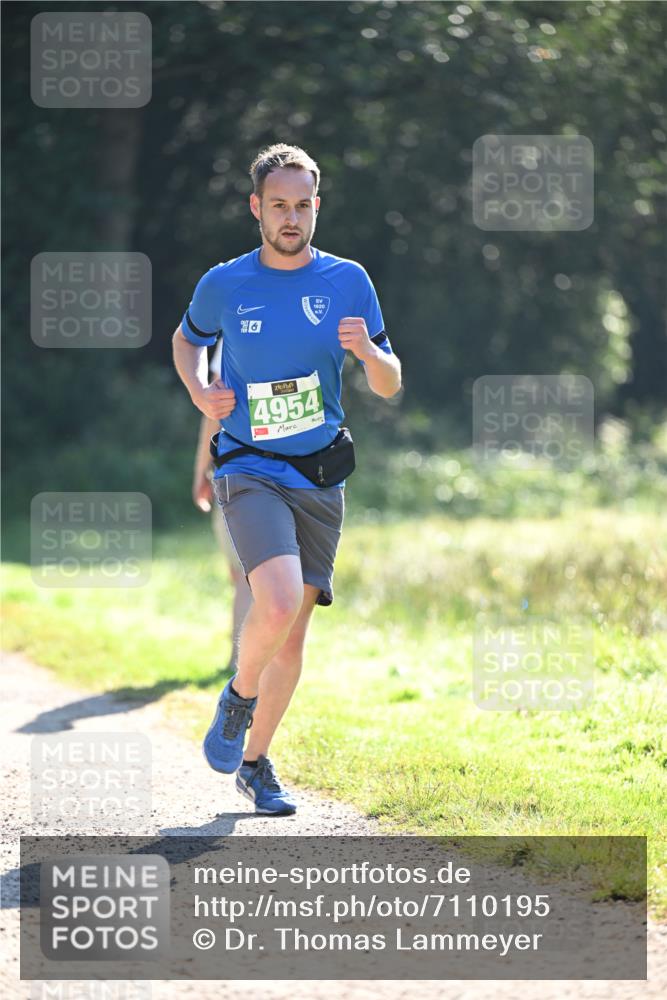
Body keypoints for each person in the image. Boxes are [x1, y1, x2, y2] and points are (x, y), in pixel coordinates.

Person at [172, 143, 401, 815]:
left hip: (320, 472)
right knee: (271, 600)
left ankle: (254, 762)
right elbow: (187, 340)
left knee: (293, 634)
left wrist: (367, 354)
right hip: (247, 465)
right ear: (256, 208)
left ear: (316, 207)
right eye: (279, 205)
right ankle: (238, 696)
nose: (291, 217)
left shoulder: (348, 280)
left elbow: (389, 382)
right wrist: (198, 392)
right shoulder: (226, 283)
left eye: (302, 205)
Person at [192, 339, 253, 674]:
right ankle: (247, 662)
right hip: (297, 470)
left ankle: (241, 666)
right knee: (249, 574)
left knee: (247, 575)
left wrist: (202, 469)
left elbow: (213, 410)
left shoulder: (234, 330)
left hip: (238, 468)